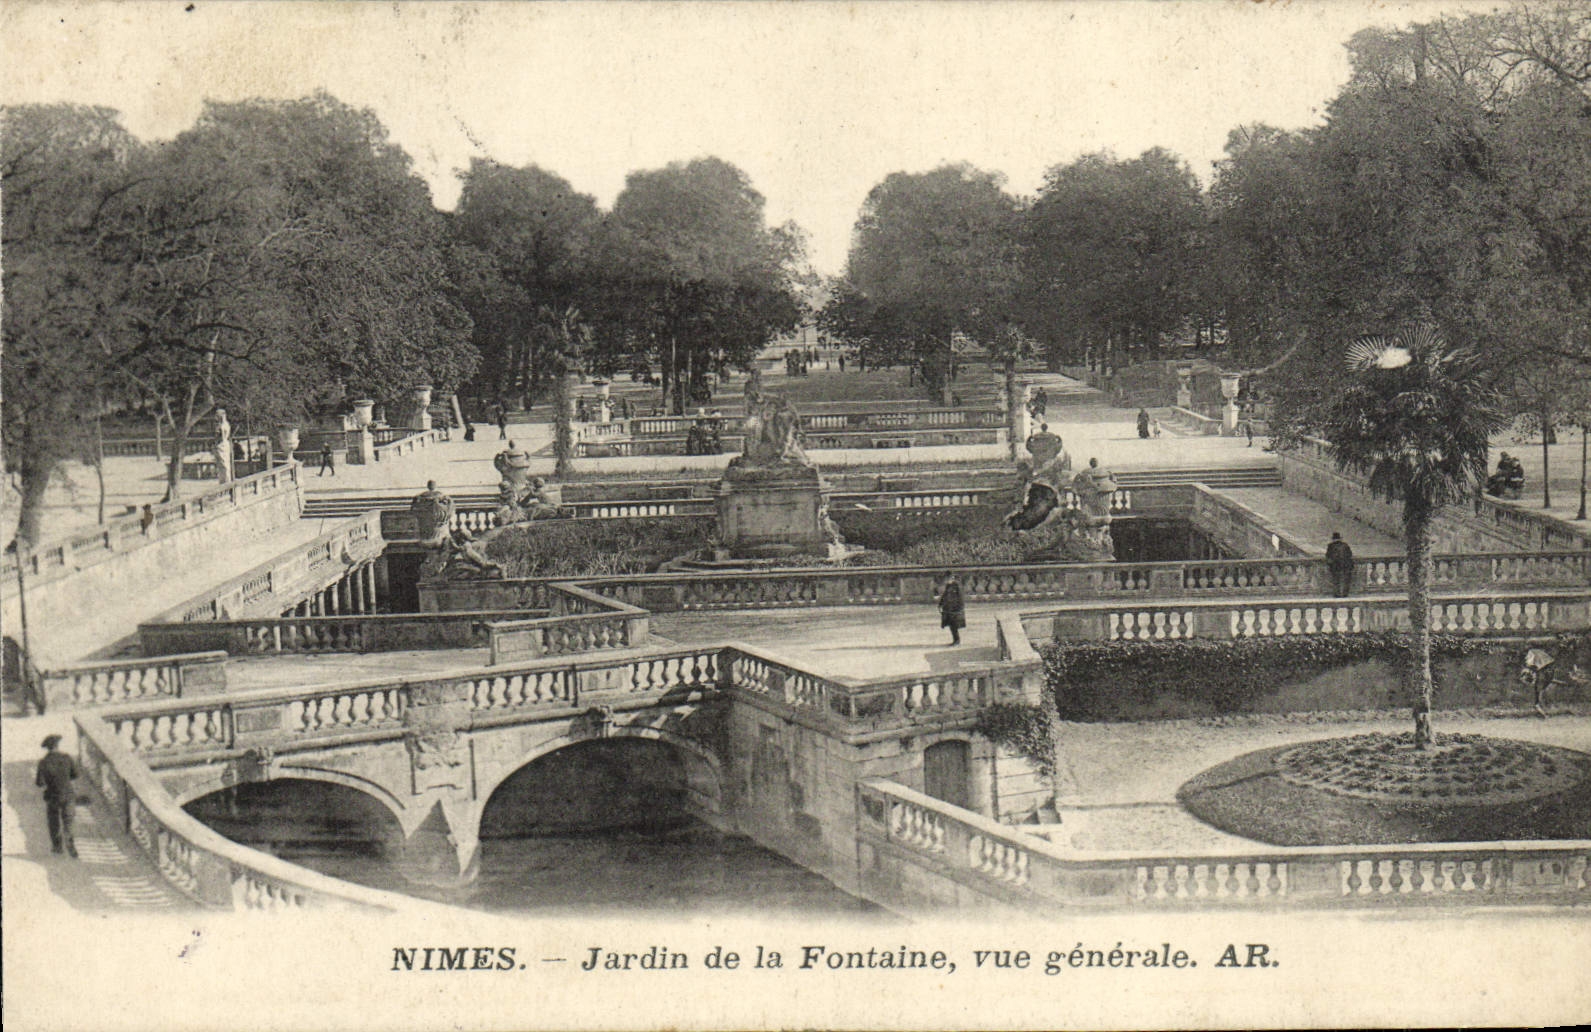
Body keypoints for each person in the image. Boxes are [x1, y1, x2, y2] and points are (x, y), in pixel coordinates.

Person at [36, 734, 77, 857]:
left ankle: (57, 846)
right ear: (58, 745)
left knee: (54, 821)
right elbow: (75, 774)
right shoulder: (67, 758)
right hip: (68, 794)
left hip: (53, 796)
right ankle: (70, 844)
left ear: (47, 748)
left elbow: (39, 783)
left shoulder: (43, 762)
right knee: (68, 821)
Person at [938, 573, 966, 646]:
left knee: (954, 625)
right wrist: (940, 604)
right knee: (951, 625)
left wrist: (959, 608)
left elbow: (960, 598)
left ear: (951, 578)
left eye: (947, 578)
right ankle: (955, 640)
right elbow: (944, 596)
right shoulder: (948, 585)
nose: (945, 580)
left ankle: (957, 640)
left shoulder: (957, 585)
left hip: (955, 609)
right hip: (948, 609)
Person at [1326, 532, 1355, 597]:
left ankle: (1337, 594)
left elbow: (1328, 556)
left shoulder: (1330, 546)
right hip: (1346, 565)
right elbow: (1350, 554)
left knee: (1336, 580)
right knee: (1345, 580)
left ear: (1333, 539)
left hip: (1335, 565)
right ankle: (1345, 593)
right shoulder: (1345, 545)